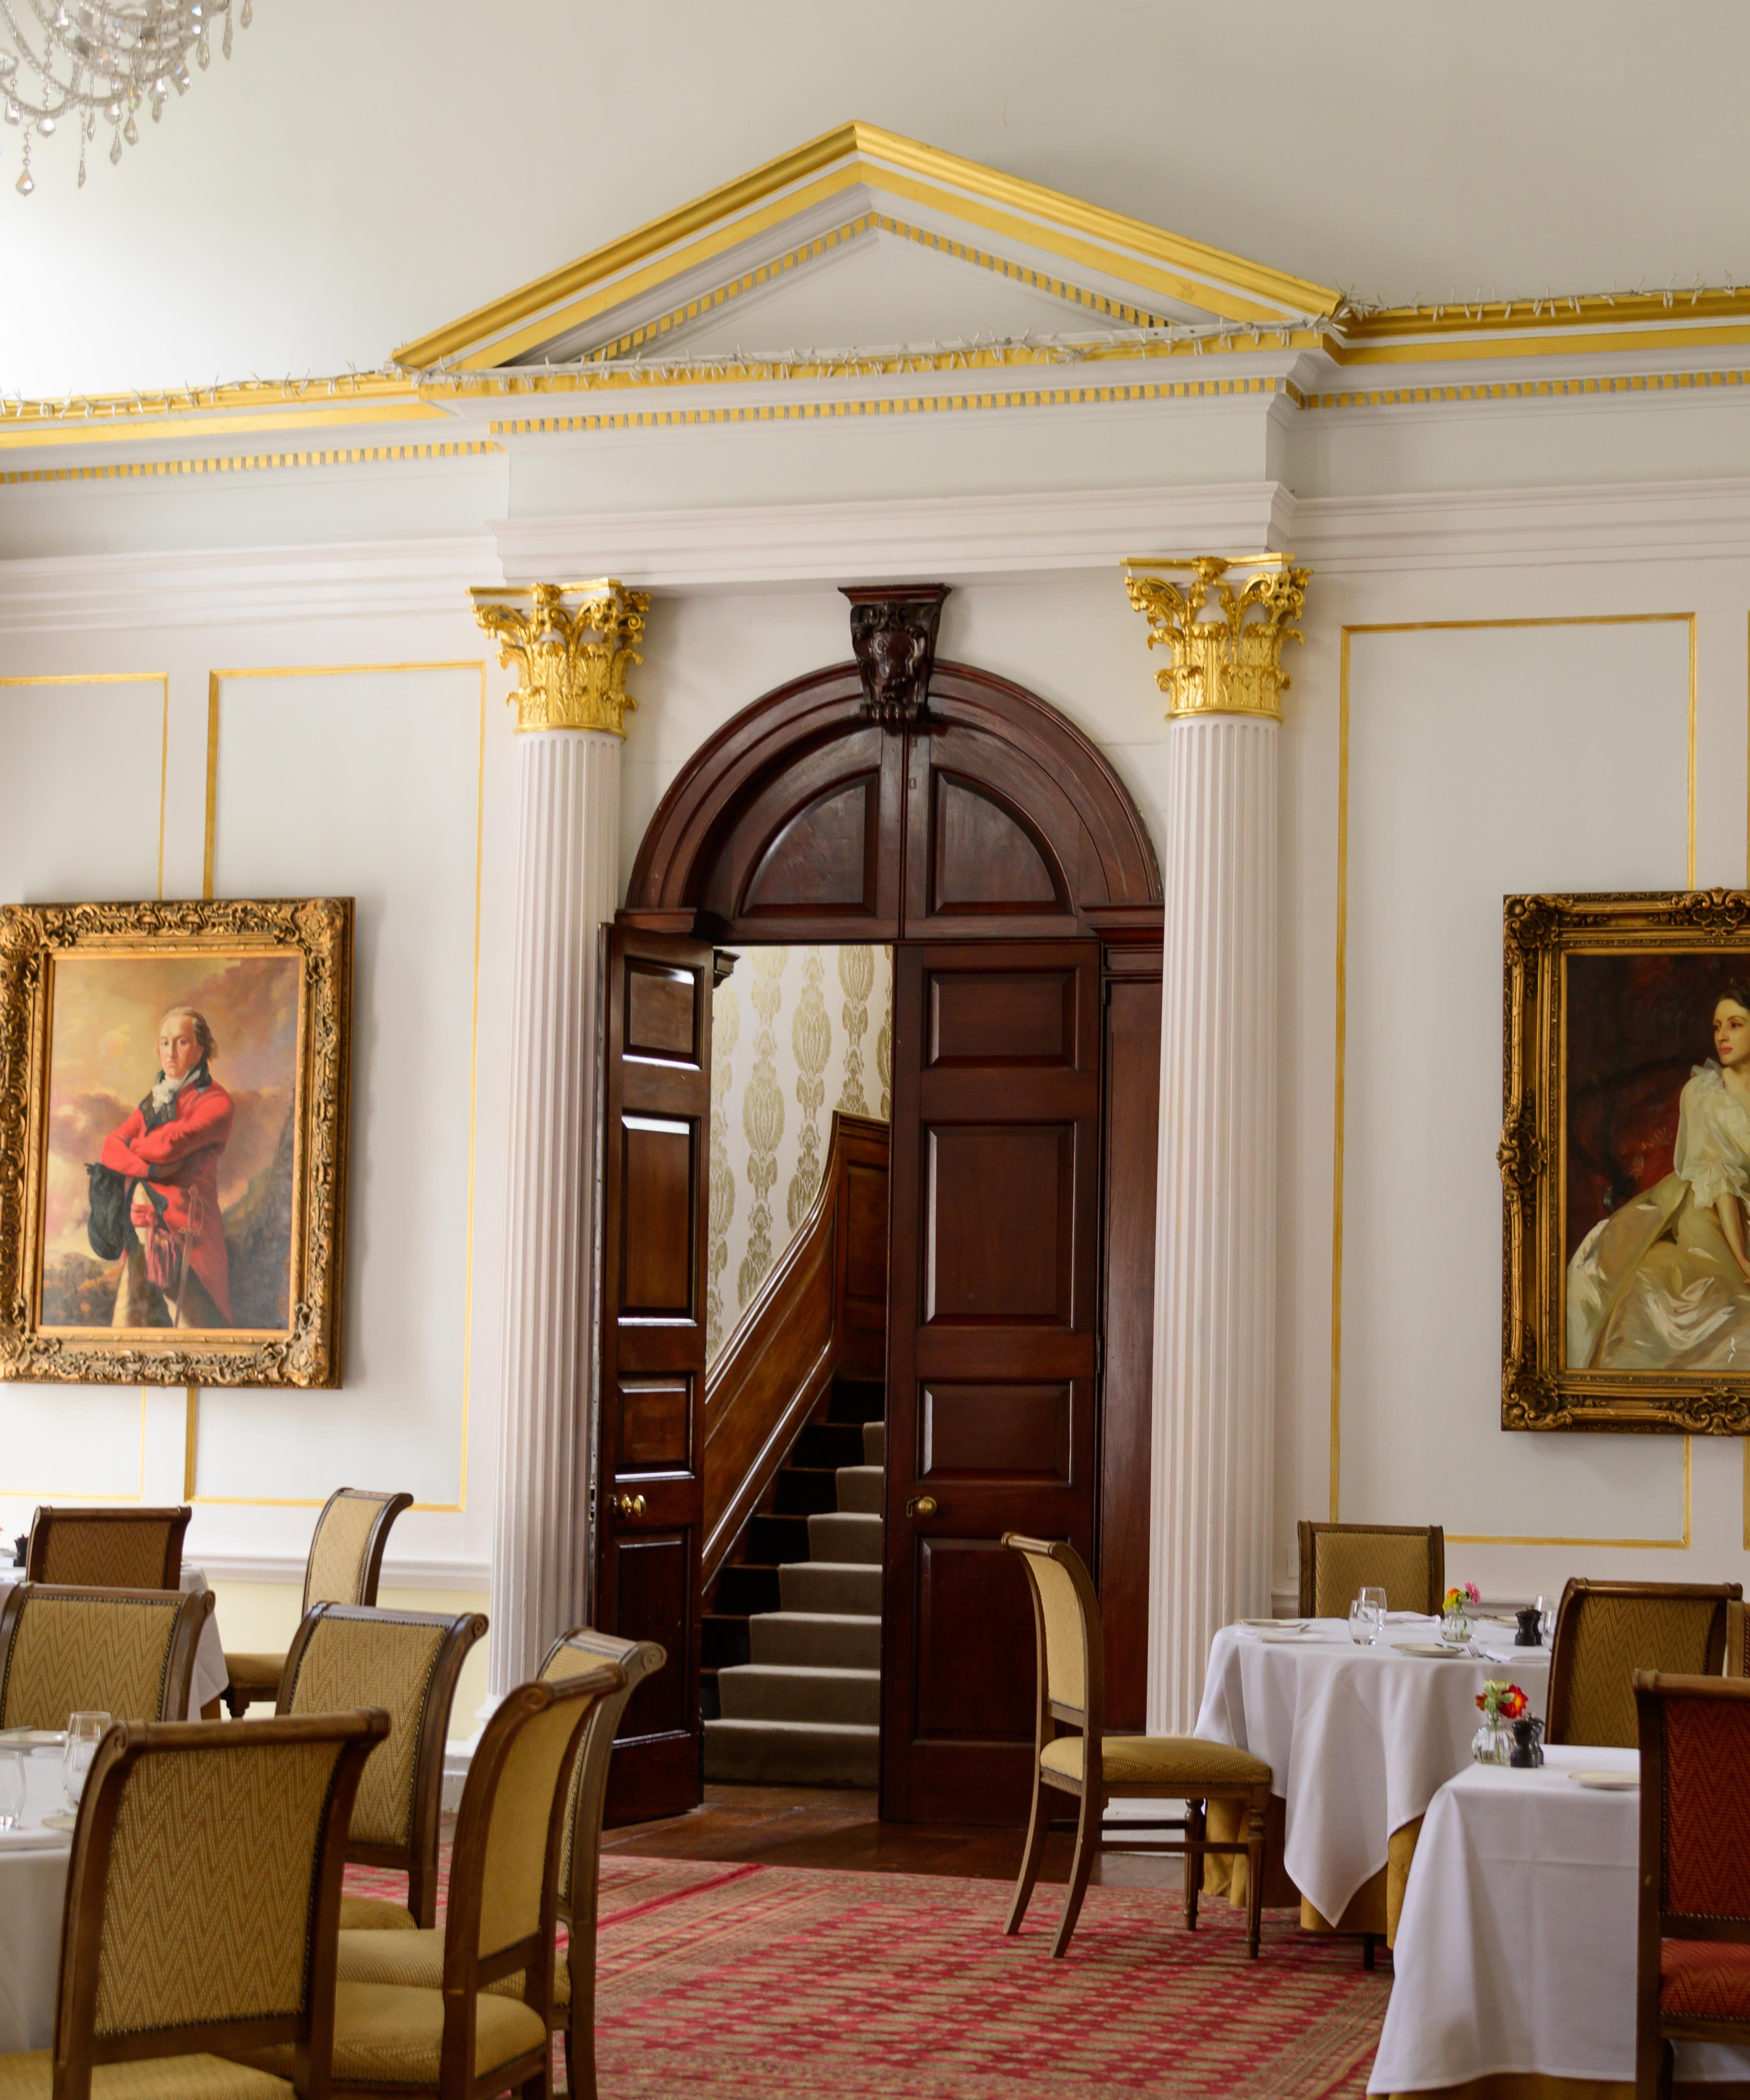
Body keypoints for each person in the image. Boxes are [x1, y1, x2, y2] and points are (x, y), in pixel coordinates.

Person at [1569, 985, 1750, 1370]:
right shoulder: (1703, 1094)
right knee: (1705, 1299)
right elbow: (1720, 1185)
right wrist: (1744, 1261)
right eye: (1718, 1026)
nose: (1722, 1036)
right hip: (1713, 1210)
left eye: (1735, 1025)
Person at [97, 1006, 234, 1329]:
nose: (170, 1052)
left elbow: (169, 1145)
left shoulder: (217, 1102)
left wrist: (131, 1150)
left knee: (193, 1335)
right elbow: (108, 1148)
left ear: (201, 1050)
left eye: (182, 1042)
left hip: (188, 1239)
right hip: (141, 1234)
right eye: (164, 1042)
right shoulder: (154, 1100)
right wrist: (152, 1171)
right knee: (130, 1334)